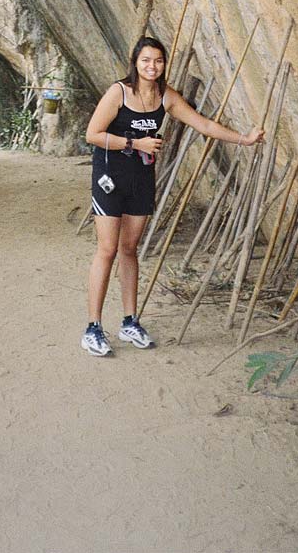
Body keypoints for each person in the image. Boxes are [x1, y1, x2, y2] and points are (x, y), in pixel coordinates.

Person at [81, 36, 265, 356]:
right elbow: (93, 134)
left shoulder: (166, 97)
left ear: (165, 64)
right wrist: (134, 144)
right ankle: (93, 328)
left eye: (158, 61)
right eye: (146, 60)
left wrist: (244, 139)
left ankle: (130, 321)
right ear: (135, 62)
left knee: (129, 248)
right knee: (107, 249)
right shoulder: (119, 92)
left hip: (141, 180)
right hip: (109, 179)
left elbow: (204, 125)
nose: (152, 66)